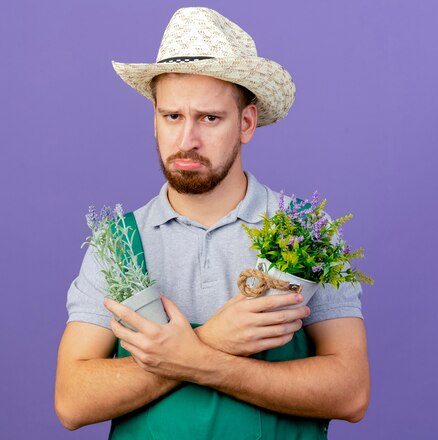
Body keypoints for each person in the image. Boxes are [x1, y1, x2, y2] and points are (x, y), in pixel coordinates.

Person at [55, 7, 369, 439]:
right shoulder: (118, 244)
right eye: (172, 117)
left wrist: (200, 359)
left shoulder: (307, 232)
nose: (187, 141)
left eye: (209, 118)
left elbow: (351, 393)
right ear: (155, 118)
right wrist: (215, 339)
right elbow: (72, 402)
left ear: (246, 123)